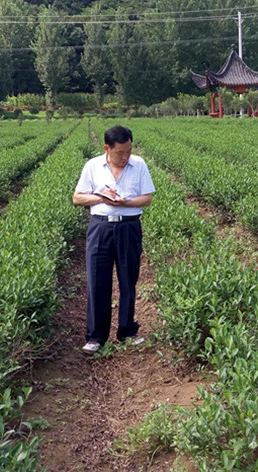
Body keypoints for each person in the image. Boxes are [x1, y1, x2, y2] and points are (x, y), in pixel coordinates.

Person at [73, 125, 155, 354]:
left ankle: (127, 332)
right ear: (106, 148)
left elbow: (146, 199)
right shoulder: (92, 166)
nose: (125, 156)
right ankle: (96, 337)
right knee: (97, 281)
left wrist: (124, 203)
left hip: (129, 227)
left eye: (128, 151)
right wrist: (101, 197)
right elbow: (77, 198)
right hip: (100, 228)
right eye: (120, 152)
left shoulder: (138, 164)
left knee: (128, 280)